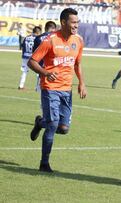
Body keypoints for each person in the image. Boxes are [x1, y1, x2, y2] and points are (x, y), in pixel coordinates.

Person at [27, 8, 87, 173]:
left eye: (77, 22)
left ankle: (40, 123)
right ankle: (44, 164)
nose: (76, 25)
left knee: (63, 129)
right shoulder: (50, 40)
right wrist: (45, 73)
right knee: (53, 124)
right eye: (73, 22)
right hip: (50, 88)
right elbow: (32, 62)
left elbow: (77, 63)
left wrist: (81, 83)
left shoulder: (78, 41)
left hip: (66, 90)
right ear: (63, 22)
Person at [33, 21, 57, 92]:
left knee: (42, 92)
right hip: (54, 68)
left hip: (41, 68)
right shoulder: (56, 38)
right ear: (54, 29)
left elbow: (34, 55)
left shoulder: (38, 38)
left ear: (45, 28)